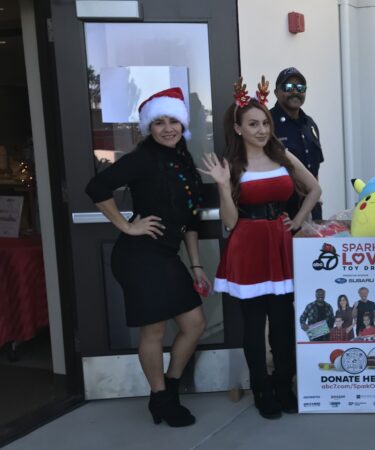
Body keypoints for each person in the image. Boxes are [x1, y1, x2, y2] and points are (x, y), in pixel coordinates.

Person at [85, 87, 208, 427]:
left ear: (183, 125)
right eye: (159, 122)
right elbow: (97, 188)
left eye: (173, 121)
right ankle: (161, 399)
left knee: (194, 324)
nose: (167, 128)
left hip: (167, 256)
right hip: (139, 257)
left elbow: (191, 220)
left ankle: (168, 387)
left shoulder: (182, 160)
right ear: (148, 128)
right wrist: (126, 226)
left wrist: (196, 264)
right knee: (153, 331)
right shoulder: (142, 158)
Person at [201, 77, 321, 420]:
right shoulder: (232, 166)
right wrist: (224, 187)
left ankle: (285, 385)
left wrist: (297, 220)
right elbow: (229, 221)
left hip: (280, 242)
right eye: (252, 124)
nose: (261, 129)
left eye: (265, 122)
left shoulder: (282, 155)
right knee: (254, 327)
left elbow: (313, 189)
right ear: (237, 129)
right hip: (248, 244)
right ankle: (262, 389)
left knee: (283, 323)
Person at [270, 67, 324, 219]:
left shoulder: (310, 124)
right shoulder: (267, 123)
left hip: (311, 208)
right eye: (289, 87)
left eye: (300, 88)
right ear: (276, 92)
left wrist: (316, 200)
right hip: (282, 212)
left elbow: (315, 168)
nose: (295, 92)